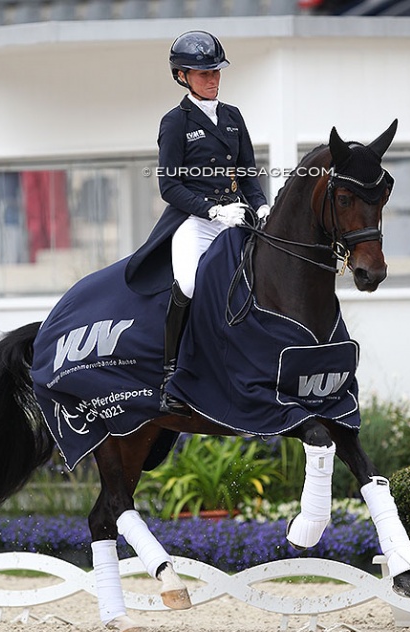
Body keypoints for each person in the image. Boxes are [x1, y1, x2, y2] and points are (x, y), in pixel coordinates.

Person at [125, 30, 269, 416]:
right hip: (195, 220)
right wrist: (212, 211)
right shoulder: (175, 122)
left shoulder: (233, 116)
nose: (213, 79)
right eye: (203, 73)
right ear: (182, 76)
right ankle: (171, 376)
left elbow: (247, 171)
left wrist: (262, 205)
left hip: (238, 216)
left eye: (216, 71)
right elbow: (168, 185)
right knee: (189, 283)